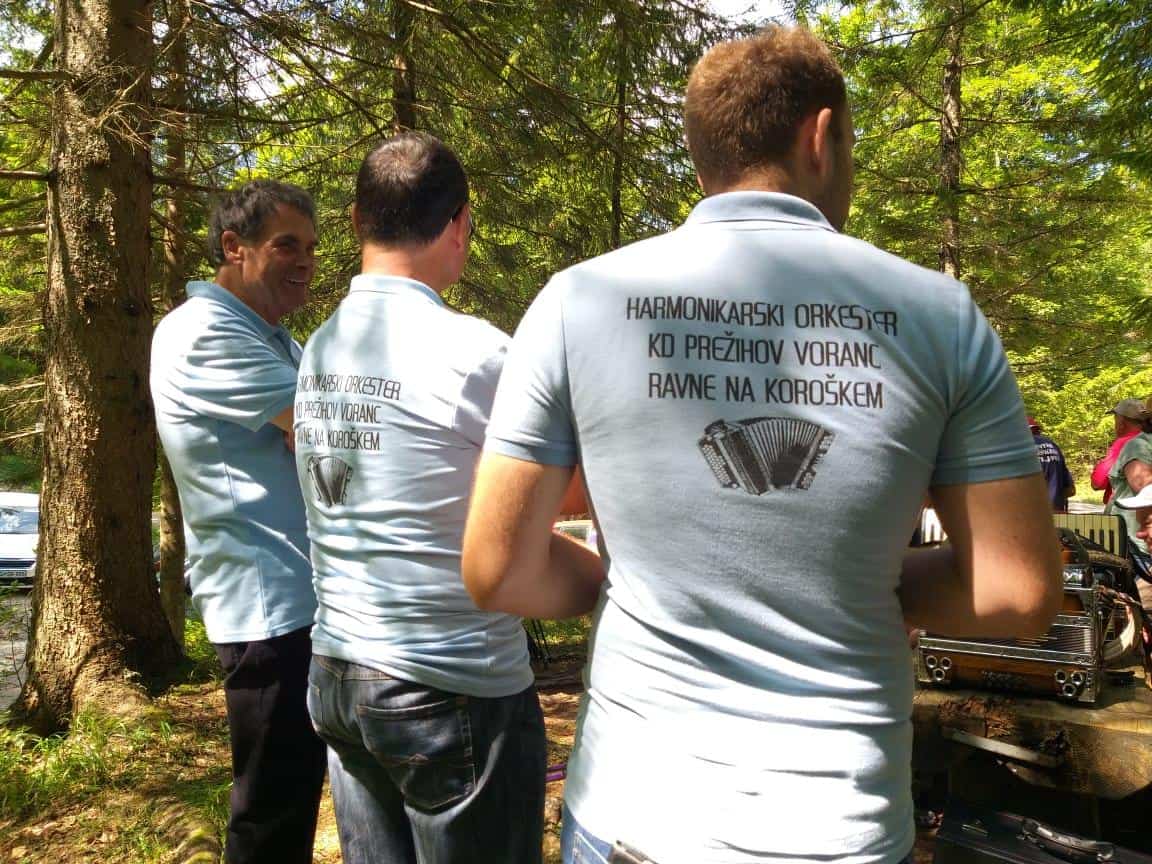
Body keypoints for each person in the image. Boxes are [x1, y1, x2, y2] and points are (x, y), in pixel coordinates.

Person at [461, 26, 1061, 864]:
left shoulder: (578, 301)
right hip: (840, 826)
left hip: (633, 815)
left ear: (702, 154)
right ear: (821, 137)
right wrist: (866, 581)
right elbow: (1019, 592)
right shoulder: (941, 317)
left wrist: (629, 581)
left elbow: (497, 570)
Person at [293, 132, 546, 864]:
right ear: (460, 223)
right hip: (450, 683)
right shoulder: (477, 354)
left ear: (355, 220)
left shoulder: (321, 348)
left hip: (338, 671)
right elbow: (562, 491)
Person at [150, 180, 326, 864]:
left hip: (299, 602)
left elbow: (319, 431)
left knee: (295, 799)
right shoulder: (203, 331)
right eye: (286, 245)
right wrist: (311, 428)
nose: (305, 260)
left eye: (311, 246)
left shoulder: (276, 339)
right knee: (271, 816)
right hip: (266, 609)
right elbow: (330, 426)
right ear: (234, 246)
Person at [1091, 399, 1146, 503]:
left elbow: (1098, 482)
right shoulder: (1148, 440)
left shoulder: (1124, 443)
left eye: (1115, 419)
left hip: (1126, 509)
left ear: (1121, 423)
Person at [1029, 416, 1076, 512]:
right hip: (1056, 510)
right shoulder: (1052, 445)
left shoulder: (1019, 447)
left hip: (1030, 512)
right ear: (1037, 430)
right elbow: (1070, 489)